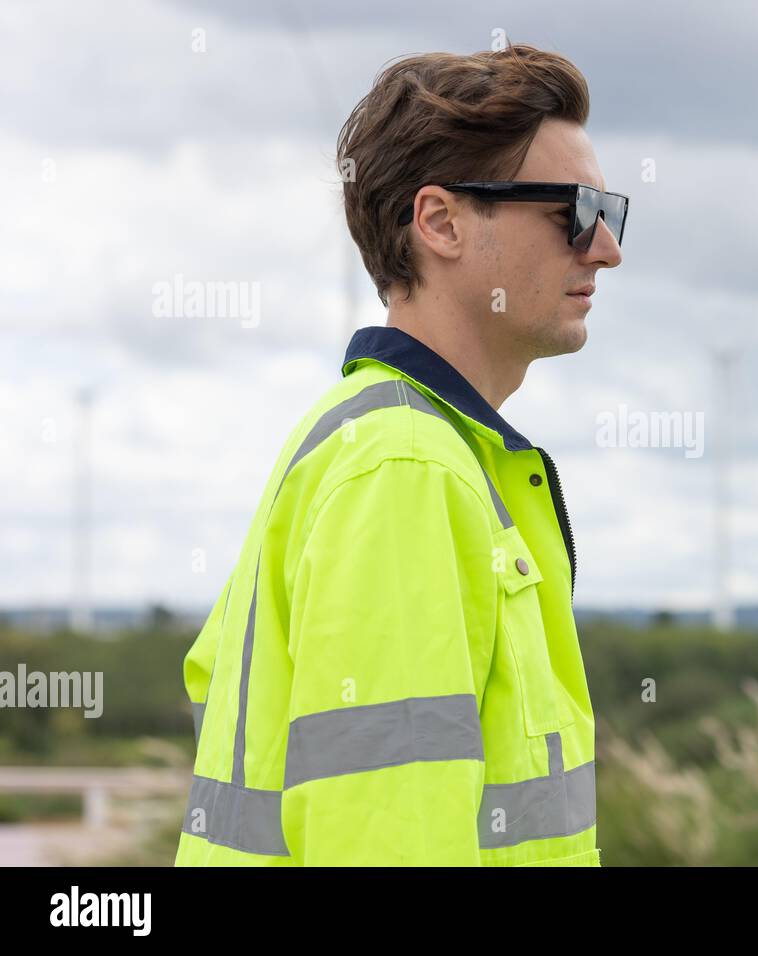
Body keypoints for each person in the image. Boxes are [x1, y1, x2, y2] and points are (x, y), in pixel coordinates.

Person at [174, 43, 625, 866]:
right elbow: (388, 835)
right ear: (441, 222)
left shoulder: (395, 446)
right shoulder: (405, 470)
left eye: (609, 213)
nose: (605, 249)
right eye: (573, 211)